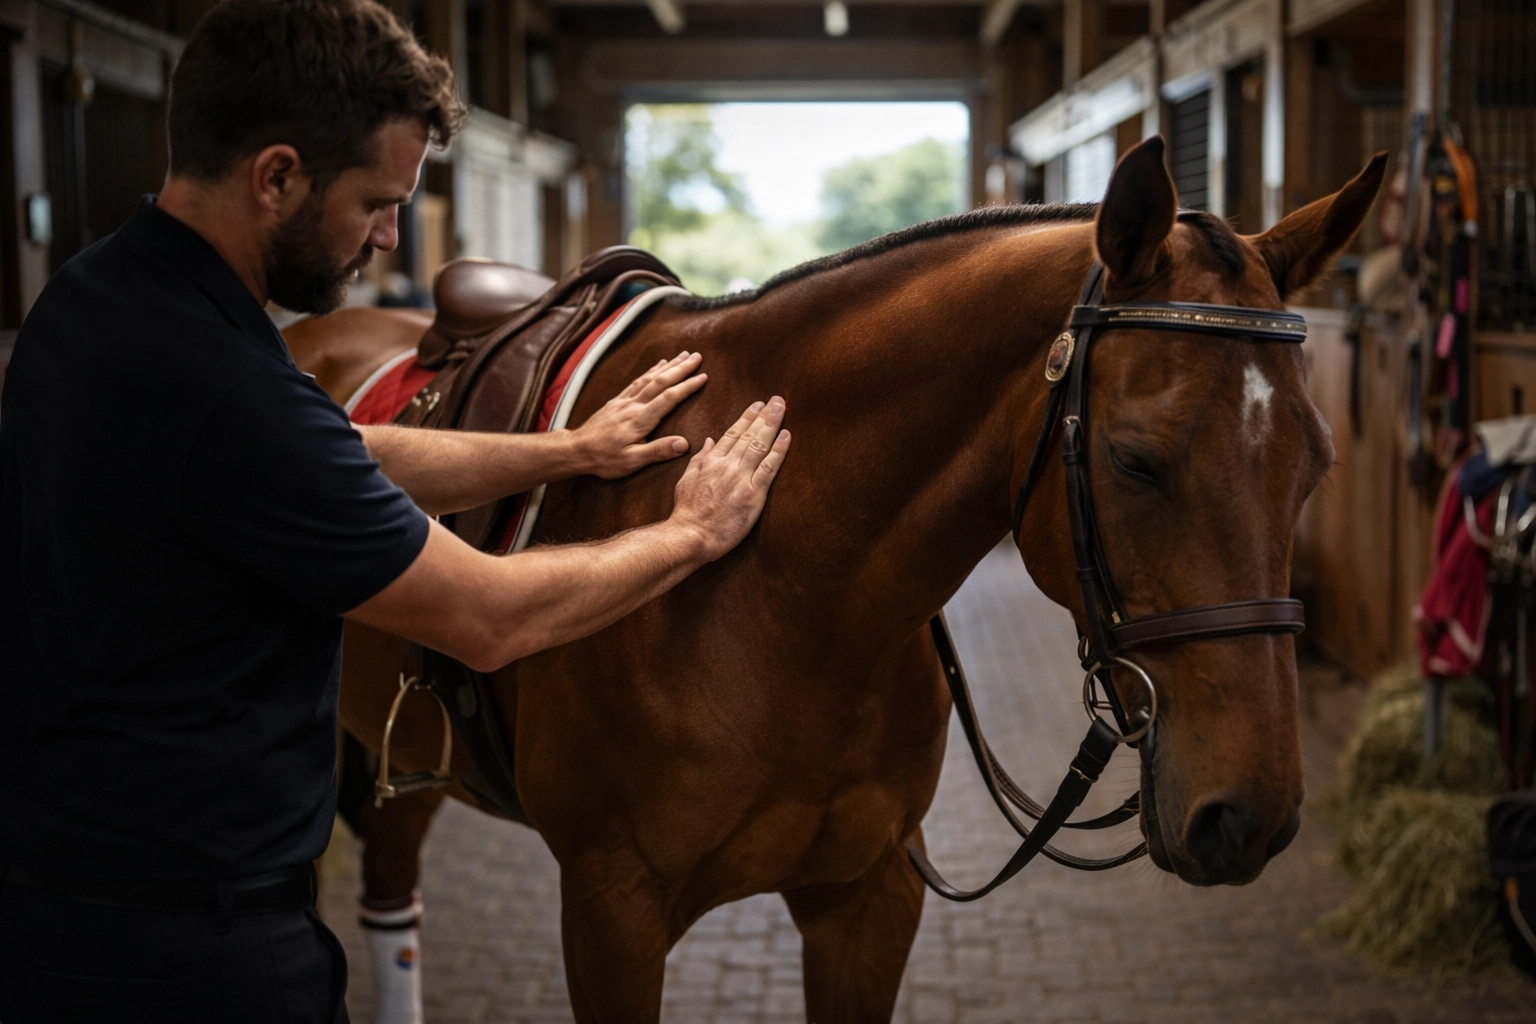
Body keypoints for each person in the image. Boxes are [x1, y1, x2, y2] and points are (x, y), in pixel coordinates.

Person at [0, 0, 791, 1021]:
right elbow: (491, 616)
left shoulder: (95, 299)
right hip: (195, 950)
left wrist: (567, 450)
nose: (389, 236)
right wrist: (690, 532)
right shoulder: (234, 395)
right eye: (379, 201)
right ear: (277, 175)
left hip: (55, 895)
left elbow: (346, 451)